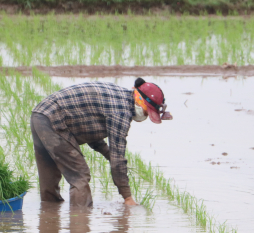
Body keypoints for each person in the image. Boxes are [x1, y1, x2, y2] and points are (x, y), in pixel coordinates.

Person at [30, 78, 172, 207]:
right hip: (54, 119)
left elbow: (90, 131)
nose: (146, 116)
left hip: (39, 115)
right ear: (141, 101)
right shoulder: (121, 112)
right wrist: (127, 197)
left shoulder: (119, 96)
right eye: (148, 112)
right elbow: (118, 160)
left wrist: (108, 154)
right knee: (79, 175)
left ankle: (49, 215)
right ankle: (79, 221)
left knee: (48, 171)